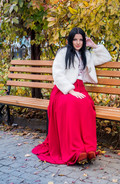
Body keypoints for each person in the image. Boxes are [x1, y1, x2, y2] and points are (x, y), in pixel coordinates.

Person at [32, 27, 112, 165]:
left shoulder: (87, 54)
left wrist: (94, 45)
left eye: (81, 39)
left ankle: (88, 148)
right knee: (72, 104)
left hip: (80, 88)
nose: (78, 42)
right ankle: (75, 150)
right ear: (70, 39)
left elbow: (106, 57)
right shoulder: (63, 53)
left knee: (87, 106)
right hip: (63, 89)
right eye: (75, 39)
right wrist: (70, 90)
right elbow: (57, 74)